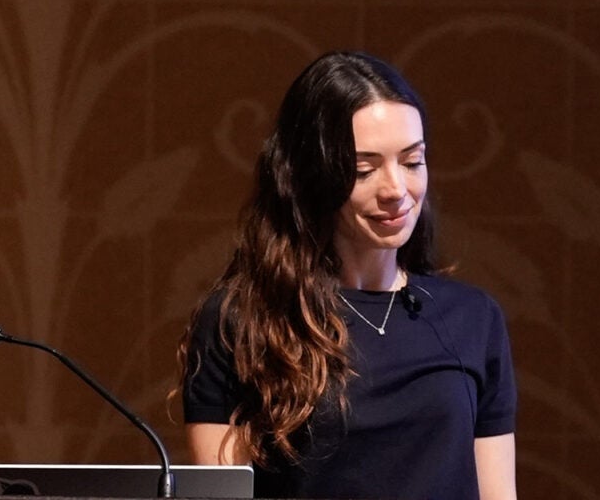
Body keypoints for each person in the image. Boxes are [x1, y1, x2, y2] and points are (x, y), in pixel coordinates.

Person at [179, 51, 518, 500]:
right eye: (363, 169)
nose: (396, 190)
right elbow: (222, 497)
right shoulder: (243, 320)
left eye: (412, 162)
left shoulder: (473, 318)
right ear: (310, 176)